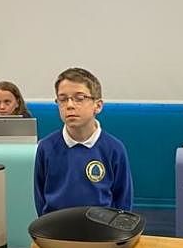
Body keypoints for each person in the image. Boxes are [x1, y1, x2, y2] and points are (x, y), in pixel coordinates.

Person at [34, 67, 133, 216]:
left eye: (79, 98)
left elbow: (123, 199)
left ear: (97, 106)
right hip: (57, 232)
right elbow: (39, 197)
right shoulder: (46, 147)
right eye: (62, 99)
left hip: (102, 233)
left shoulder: (114, 148)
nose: (69, 105)